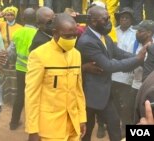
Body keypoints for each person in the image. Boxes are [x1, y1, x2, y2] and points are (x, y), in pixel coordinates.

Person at [76, 6, 147, 141]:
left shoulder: (104, 36)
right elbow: (108, 65)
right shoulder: (87, 41)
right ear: (93, 21)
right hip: (89, 96)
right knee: (87, 130)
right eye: (105, 19)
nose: (109, 22)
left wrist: (140, 57)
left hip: (105, 92)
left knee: (114, 125)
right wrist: (137, 60)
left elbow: (119, 53)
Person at [25, 13, 86, 141]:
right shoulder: (39, 55)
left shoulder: (76, 54)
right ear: (55, 33)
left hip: (73, 125)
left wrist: (82, 118)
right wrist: (33, 130)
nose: (72, 39)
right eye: (67, 36)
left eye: (75, 36)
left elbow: (78, 91)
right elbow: (32, 95)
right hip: (50, 128)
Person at [9, 7, 37, 130]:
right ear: (35, 19)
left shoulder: (17, 33)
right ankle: (33, 124)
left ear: (23, 18)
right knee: (35, 97)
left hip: (20, 69)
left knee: (20, 95)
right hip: (34, 70)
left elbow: (10, 52)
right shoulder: (38, 34)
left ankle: (13, 123)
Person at [111, 7, 136, 137]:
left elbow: (134, 54)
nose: (123, 20)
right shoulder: (113, 32)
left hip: (128, 74)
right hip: (112, 73)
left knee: (126, 105)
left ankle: (125, 128)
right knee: (113, 103)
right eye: (121, 17)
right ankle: (112, 127)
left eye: (126, 17)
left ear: (131, 20)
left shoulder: (136, 33)